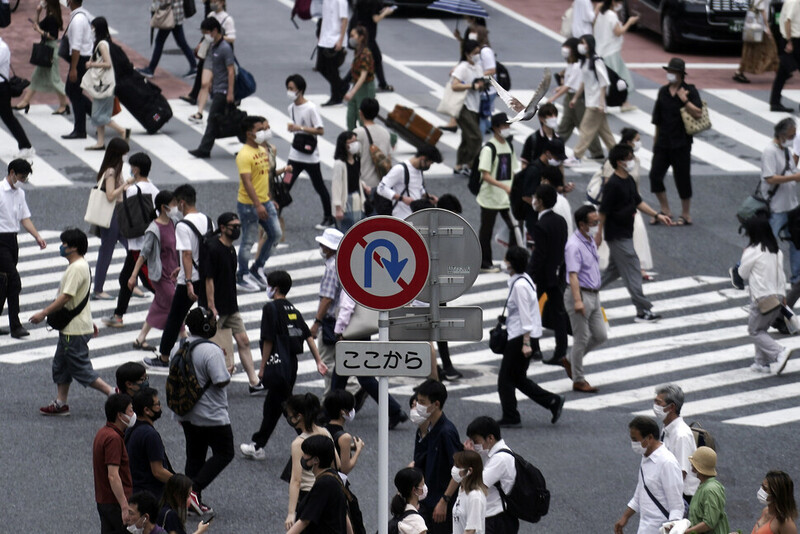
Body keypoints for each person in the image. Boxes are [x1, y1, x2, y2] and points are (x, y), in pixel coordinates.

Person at [239, 270, 326, 460]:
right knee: (275, 406)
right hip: (291, 365)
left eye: (269, 285)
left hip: (277, 365)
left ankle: (317, 441)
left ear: (275, 288)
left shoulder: (270, 309)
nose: (267, 289)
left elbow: (268, 340)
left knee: (291, 409)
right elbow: (308, 336)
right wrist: (318, 361)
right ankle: (258, 444)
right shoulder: (293, 309)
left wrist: (262, 368)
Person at [31, 228, 114, 415]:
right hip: (74, 326)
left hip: (74, 330)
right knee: (61, 365)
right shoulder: (80, 265)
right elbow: (81, 298)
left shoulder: (77, 268)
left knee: (79, 367)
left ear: (73, 248)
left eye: (64, 244)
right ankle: (61, 403)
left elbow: (67, 297)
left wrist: (43, 313)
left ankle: (113, 394)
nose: (61, 247)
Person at [598, 144, 670, 323]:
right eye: (629, 158)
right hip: (617, 235)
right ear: (620, 162)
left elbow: (638, 202)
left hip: (625, 233)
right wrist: (599, 233)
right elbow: (603, 211)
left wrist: (657, 215)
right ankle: (643, 310)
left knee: (613, 271)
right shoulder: (612, 184)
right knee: (633, 271)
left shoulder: (628, 180)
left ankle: (584, 291)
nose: (632, 161)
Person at [173, 307, 233, 515]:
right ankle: (194, 490)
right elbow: (221, 380)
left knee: (195, 455)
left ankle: (188, 501)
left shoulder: (179, 347)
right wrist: (229, 371)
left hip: (186, 412)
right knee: (225, 453)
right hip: (211, 414)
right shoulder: (211, 350)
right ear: (207, 327)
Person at [145, 184, 212, 368]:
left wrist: (187, 279)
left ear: (182, 203)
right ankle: (212, 354)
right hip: (207, 277)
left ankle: (164, 357)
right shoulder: (208, 220)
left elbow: (187, 254)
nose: (175, 207)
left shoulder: (182, 225)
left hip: (190, 280)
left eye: (176, 203)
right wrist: (181, 269)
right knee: (207, 315)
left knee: (175, 317)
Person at [497, 246, 565, 427]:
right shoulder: (524, 280)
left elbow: (526, 317)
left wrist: (526, 343)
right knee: (518, 378)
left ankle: (511, 416)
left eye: (506, 260)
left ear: (511, 263)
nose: (504, 263)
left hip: (520, 337)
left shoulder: (519, 285)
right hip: (522, 335)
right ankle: (552, 401)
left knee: (505, 380)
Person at [202, 212, 262, 393]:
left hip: (231, 306)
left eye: (238, 226)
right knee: (215, 348)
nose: (237, 230)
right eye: (233, 226)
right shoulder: (212, 248)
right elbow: (208, 279)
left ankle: (254, 381)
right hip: (216, 308)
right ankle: (211, 381)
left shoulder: (230, 249)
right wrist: (211, 306)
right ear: (222, 228)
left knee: (243, 340)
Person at [332, 290, 409, 428]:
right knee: (355, 375)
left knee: (343, 373)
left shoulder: (350, 281)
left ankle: (330, 412)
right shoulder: (361, 280)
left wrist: (339, 330)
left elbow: (347, 306)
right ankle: (394, 410)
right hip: (361, 331)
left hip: (350, 332)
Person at [104, 152, 157, 329]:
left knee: (151, 283)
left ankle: (173, 305)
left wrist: (125, 185)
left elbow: (114, 200)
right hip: (148, 241)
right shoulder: (154, 189)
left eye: (132, 166)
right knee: (126, 278)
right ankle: (118, 315)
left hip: (138, 245)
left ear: (136, 169)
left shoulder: (132, 191)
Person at [738, 216, 796, 375]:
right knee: (762, 329)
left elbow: (742, 273)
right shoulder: (776, 250)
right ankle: (761, 363)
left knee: (754, 331)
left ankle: (779, 352)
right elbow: (781, 275)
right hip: (777, 296)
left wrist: (744, 255)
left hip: (762, 297)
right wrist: (783, 295)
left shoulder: (752, 250)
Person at [649, 58, 702, 226]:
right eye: (668, 71)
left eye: (673, 71)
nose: (669, 74)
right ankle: (665, 209)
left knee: (682, 178)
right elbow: (657, 118)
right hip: (663, 142)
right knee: (655, 176)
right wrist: (655, 142)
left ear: (680, 74)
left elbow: (698, 113)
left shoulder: (689, 90)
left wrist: (684, 100)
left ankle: (685, 214)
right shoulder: (663, 91)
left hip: (681, 143)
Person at [614, 416, 684, 534]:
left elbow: (676, 507)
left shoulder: (667, 463)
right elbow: (641, 492)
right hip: (645, 528)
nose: (633, 443)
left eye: (635, 439)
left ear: (650, 438)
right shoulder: (646, 456)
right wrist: (625, 517)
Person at [129, 190, 180, 351]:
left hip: (174, 273)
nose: (176, 206)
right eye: (173, 204)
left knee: (159, 305)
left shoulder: (174, 222)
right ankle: (185, 338)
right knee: (176, 304)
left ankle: (140, 338)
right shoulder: (154, 229)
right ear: (164, 207)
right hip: (160, 275)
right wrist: (133, 276)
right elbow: (143, 254)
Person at [411, 379, 463, 534]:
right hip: (427, 500)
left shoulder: (446, 432)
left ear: (436, 404)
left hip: (440, 504)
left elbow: (460, 468)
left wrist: (444, 500)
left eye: (422, 402)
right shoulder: (426, 429)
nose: (418, 405)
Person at [236, 116, 282, 292]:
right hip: (249, 205)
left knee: (275, 234)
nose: (264, 132)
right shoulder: (244, 154)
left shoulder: (263, 150)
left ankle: (257, 267)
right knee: (248, 241)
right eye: (259, 130)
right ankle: (242, 275)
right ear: (249, 134)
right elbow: (247, 182)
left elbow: (264, 177)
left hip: (265, 201)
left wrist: (269, 198)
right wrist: (258, 205)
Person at [0, 159, 45, 338]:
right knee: (14, 281)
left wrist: (37, 236)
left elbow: (24, 218)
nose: (23, 180)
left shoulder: (20, 194)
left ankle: (14, 325)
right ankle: (15, 325)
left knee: (3, 285)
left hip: (12, 241)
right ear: (11, 173)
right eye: (21, 177)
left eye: (25, 178)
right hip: (0, 241)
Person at [564, 205, 606, 393]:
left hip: (594, 295)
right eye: (594, 222)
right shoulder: (573, 245)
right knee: (581, 338)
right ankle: (578, 379)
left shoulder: (588, 240)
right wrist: (577, 300)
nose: (597, 225)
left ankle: (570, 359)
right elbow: (573, 275)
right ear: (582, 224)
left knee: (600, 335)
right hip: (580, 294)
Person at [528, 184, 570, 373]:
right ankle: (561, 352)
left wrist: (529, 274)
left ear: (541, 201)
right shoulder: (560, 221)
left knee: (532, 310)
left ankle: (535, 348)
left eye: (535, 197)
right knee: (558, 312)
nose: (533, 201)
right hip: (558, 272)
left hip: (543, 275)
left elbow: (540, 254)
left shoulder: (540, 225)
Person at [283, 393, 340, 531]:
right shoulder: (325, 432)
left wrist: (291, 513)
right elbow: (337, 465)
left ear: (299, 416)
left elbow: (296, 480)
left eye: (291, 415)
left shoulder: (299, 443)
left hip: (308, 495)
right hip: (329, 491)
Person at [285, 74, 334, 229]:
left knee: (319, 186)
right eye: (288, 88)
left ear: (300, 90)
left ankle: (328, 217)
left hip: (310, 157)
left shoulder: (310, 108)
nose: (289, 91)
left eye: (292, 88)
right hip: (294, 155)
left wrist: (300, 128)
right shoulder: (291, 108)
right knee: (284, 185)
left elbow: (320, 130)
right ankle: (274, 216)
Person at [761, 118, 800, 309]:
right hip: (777, 207)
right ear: (782, 134)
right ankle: (743, 270)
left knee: (796, 243)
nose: (793, 138)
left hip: (792, 205)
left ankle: (796, 279)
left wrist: (795, 177)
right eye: (791, 135)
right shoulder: (770, 151)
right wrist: (794, 177)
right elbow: (769, 178)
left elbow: (792, 171)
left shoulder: (785, 151)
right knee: (768, 243)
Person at [477, 112, 520, 273]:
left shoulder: (508, 145)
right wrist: (504, 187)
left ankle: (511, 261)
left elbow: (513, 170)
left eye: (508, 125)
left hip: (506, 197)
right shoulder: (489, 148)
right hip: (490, 197)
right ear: (495, 128)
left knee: (514, 228)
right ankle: (484, 262)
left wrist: (514, 187)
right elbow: (485, 175)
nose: (507, 128)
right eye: (504, 126)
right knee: (486, 230)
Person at [11, 0, 69, 116]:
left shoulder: (52, 18)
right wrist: (38, 11)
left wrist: (39, 31)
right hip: (47, 49)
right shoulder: (51, 16)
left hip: (50, 50)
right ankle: (25, 102)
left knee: (55, 79)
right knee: (36, 77)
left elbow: (52, 36)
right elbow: (36, 25)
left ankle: (64, 104)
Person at [287, 434, 352, 534]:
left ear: (316, 460)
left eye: (306, 454)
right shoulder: (334, 477)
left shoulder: (324, 484)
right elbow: (344, 515)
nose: (303, 457)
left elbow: (305, 520)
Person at [552, 38, 604, 161]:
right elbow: (569, 82)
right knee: (566, 126)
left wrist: (553, 98)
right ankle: (553, 149)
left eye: (567, 48)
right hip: (571, 98)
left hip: (578, 99)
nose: (564, 51)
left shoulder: (578, 65)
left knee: (584, 127)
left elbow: (570, 85)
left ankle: (596, 152)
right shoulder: (571, 64)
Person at [188, 18, 234, 159]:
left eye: (207, 32)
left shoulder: (225, 48)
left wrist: (230, 92)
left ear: (215, 31)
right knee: (230, 119)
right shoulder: (214, 46)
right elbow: (216, 68)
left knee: (213, 119)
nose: (206, 35)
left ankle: (204, 149)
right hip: (218, 88)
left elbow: (231, 71)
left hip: (224, 90)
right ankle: (248, 141)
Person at [183, 0, 235, 121]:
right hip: (210, 52)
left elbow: (232, 38)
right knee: (205, 83)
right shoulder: (210, 15)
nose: (213, 3)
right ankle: (199, 112)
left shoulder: (227, 19)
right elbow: (205, 34)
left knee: (222, 83)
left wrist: (220, 38)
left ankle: (226, 109)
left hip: (222, 52)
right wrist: (201, 43)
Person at [92, 138, 131, 300]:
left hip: (119, 214)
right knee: (107, 251)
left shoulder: (115, 168)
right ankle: (98, 289)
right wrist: (125, 185)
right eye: (123, 154)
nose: (125, 157)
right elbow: (110, 195)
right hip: (111, 215)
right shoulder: (111, 172)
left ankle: (130, 284)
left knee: (133, 249)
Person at [465, 416, 518, 534]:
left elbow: (475, 486)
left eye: (476, 441)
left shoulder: (500, 459)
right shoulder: (491, 453)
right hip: (494, 516)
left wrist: (470, 458)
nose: (473, 445)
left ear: (490, 438)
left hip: (496, 519)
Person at [84, 17, 130, 151]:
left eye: (93, 28)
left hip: (104, 85)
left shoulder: (102, 45)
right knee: (99, 113)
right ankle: (100, 142)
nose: (91, 30)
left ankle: (122, 131)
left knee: (99, 115)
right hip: (103, 84)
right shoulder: (104, 43)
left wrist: (92, 64)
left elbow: (108, 63)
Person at [93, 393, 134, 533]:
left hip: (104, 500)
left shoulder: (102, 433)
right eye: (130, 410)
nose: (133, 414)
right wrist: (124, 506)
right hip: (114, 502)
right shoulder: (114, 439)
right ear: (120, 415)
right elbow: (113, 475)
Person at [570, 35, 616, 161]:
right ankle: (618, 155)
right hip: (590, 101)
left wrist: (601, 103)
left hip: (595, 103)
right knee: (605, 133)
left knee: (585, 129)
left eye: (583, 43)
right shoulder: (585, 62)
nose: (581, 45)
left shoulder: (597, 61)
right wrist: (575, 98)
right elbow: (584, 82)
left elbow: (604, 83)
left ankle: (576, 155)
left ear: (589, 45)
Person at [652, 384, 699, 503]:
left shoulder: (681, 436)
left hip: (682, 497)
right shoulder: (667, 428)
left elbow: (680, 474)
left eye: (659, 403)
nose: (655, 406)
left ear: (671, 407)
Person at [311, 227, 344, 395]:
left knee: (326, 363)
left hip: (331, 320)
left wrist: (317, 322)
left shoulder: (332, 267)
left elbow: (327, 298)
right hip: (343, 319)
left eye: (323, 245)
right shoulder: (344, 262)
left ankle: (330, 399)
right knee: (341, 359)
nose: (321, 248)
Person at [126, 387, 173, 501]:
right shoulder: (150, 435)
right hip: (151, 495)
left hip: (135, 490)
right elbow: (158, 471)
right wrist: (180, 482)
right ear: (147, 410)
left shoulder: (131, 429)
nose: (160, 407)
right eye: (157, 404)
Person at [593, 0, 638, 112]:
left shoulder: (602, 13)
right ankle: (609, 103)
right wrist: (629, 22)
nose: (620, 4)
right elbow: (618, 32)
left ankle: (623, 102)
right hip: (611, 51)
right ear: (613, 2)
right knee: (619, 78)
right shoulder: (611, 15)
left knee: (614, 78)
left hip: (601, 50)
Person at [376, 145, 442, 220]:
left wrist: (427, 196)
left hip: (415, 216)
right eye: (430, 163)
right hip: (401, 218)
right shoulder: (400, 169)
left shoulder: (419, 170)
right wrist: (402, 198)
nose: (429, 166)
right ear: (423, 158)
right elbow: (381, 188)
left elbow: (417, 188)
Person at [136, 0, 197, 78]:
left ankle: (151, 69)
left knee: (159, 41)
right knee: (181, 42)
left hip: (170, 14)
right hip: (177, 13)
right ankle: (194, 66)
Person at [450, 39, 485, 176]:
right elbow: (454, 85)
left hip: (475, 106)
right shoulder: (462, 67)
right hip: (464, 106)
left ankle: (459, 165)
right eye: (475, 52)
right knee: (476, 137)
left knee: (466, 138)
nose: (477, 55)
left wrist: (482, 85)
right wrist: (471, 86)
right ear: (467, 53)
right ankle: (471, 165)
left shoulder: (477, 67)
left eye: (478, 52)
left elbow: (480, 82)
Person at [60, 0, 93, 140]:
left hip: (80, 60)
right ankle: (98, 118)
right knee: (74, 91)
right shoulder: (82, 15)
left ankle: (80, 129)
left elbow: (76, 47)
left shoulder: (78, 19)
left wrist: (73, 69)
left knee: (74, 92)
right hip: (83, 59)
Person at [682, 447, 729, 534]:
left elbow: (709, 523)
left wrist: (685, 532)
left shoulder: (710, 489)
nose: (691, 465)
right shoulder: (704, 486)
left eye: (694, 463)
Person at [352, 0, 395, 92]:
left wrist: (382, 10)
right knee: (365, 60)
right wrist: (386, 13)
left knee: (376, 58)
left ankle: (383, 84)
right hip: (369, 35)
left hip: (361, 32)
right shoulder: (374, 2)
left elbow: (368, 11)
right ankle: (343, 84)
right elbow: (375, 19)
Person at [353, 97, 392, 196]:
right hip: (382, 184)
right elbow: (389, 157)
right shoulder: (385, 132)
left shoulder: (358, 133)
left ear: (360, 113)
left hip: (365, 184)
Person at [733, 0, 778, 83]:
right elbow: (762, 10)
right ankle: (780, 72)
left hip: (754, 27)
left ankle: (740, 71)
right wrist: (767, 26)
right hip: (759, 27)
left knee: (750, 50)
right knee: (771, 48)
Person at [323, 390, 365, 475]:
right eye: (351, 408)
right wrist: (358, 450)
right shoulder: (344, 437)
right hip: (332, 482)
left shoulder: (322, 429)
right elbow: (344, 469)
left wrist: (351, 447)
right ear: (343, 411)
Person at [331, 130, 366, 232]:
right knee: (345, 232)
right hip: (345, 201)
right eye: (351, 142)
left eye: (356, 141)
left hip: (357, 199)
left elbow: (355, 178)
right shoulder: (339, 164)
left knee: (357, 230)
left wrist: (363, 186)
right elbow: (336, 186)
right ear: (344, 145)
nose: (355, 144)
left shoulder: (356, 160)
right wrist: (338, 208)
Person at [317, 0, 349, 106]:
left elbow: (344, 20)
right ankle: (341, 85)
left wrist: (341, 40)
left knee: (332, 70)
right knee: (321, 67)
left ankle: (336, 97)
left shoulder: (341, 1)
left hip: (335, 39)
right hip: (325, 38)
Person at [344, 25, 375, 131]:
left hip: (365, 87)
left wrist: (352, 92)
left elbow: (363, 76)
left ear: (361, 37)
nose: (350, 38)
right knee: (350, 117)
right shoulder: (358, 51)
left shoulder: (365, 54)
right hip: (357, 86)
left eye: (353, 35)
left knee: (364, 120)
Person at [771, 0, 800, 112]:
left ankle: (775, 102)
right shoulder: (794, 2)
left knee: (782, 74)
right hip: (794, 41)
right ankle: (775, 102)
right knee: (782, 74)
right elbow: (788, 21)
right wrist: (789, 41)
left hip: (792, 40)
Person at [451, 451, 487, 534]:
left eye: (457, 466)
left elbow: (470, 530)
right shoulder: (462, 490)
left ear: (469, 471)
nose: (454, 469)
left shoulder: (475, 496)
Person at [390, 467, 428, 534]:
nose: (424, 487)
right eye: (422, 484)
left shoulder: (399, 514)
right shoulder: (416, 521)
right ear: (414, 490)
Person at [520, 103, 560, 167]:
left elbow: (560, 164)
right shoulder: (533, 139)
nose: (553, 117)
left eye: (555, 115)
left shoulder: (558, 139)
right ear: (541, 118)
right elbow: (524, 163)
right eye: (550, 115)